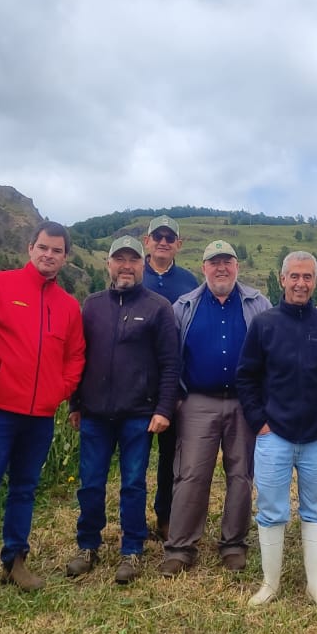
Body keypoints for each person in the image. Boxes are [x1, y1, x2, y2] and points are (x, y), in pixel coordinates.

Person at [0, 221, 86, 606]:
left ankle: (15, 561)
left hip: (40, 416)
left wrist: (59, 391)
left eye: (57, 250)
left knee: (25, 489)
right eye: (43, 247)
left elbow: (76, 355)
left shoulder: (68, 306)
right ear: (30, 248)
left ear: (66, 257)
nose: (49, 255)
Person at [65, 236, 180, 585]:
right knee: (91, 483)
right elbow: (79, 356)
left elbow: (170, 363)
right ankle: (88, 545)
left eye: (133, 260)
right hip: (95, 414)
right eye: (120, 259)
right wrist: (75, 403)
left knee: (133, 484)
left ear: (142, 264)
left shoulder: (159, 307)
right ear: (109, 263)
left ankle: (132, 549)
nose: (126, 266)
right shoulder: (92, 305)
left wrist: (163, 408)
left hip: (138, 414)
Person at [237, 252, 317, 607]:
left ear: (316, 281)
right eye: (295, 276)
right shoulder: (264, 324)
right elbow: (246, 376)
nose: (301, 283)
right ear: (283, 279)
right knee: (271, 510)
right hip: (275, 435)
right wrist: (260, 423)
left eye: (308, 277)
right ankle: (270, 584)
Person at [160, 240, 270, 576]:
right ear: (203, 267)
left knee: (241, 474)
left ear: (237, 266)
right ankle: (180, 547)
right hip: (197, 401)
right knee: (191, 474)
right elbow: (170, 357)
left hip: (244, 402)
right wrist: (176, 397)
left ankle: (234, 544)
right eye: (214, 262)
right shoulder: (184, 306)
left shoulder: (258, 303)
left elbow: (271, 352)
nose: (221, 268)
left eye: (227, 262)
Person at [142, 215, 199, 543]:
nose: (163, 242)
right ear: (147, 241)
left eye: (169, 237)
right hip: (136, 385)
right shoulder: (133, 273)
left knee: (169, 459)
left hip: (173, 386)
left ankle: (165, 516)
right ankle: (133, 523)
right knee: (135, 460)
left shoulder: (189, 281)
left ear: (179, 244)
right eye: (157, 236)